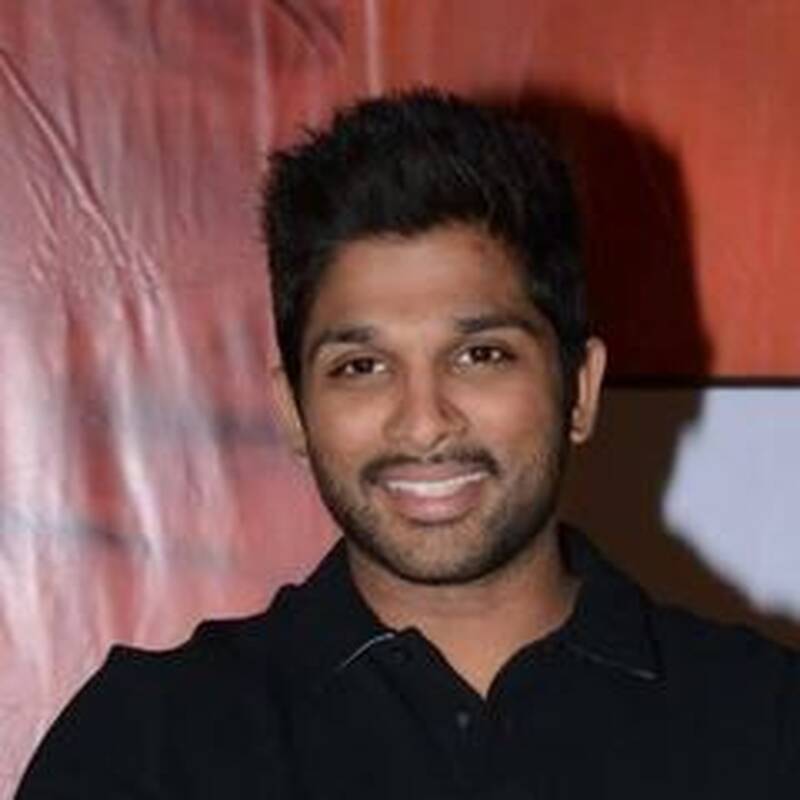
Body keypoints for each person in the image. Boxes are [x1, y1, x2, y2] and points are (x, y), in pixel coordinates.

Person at [17, 90, 799, 798]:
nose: (423, 422)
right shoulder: (147, 749)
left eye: (480, 355)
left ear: (581, 390)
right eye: (361, 367)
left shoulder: (765, 724)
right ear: (293, 411)